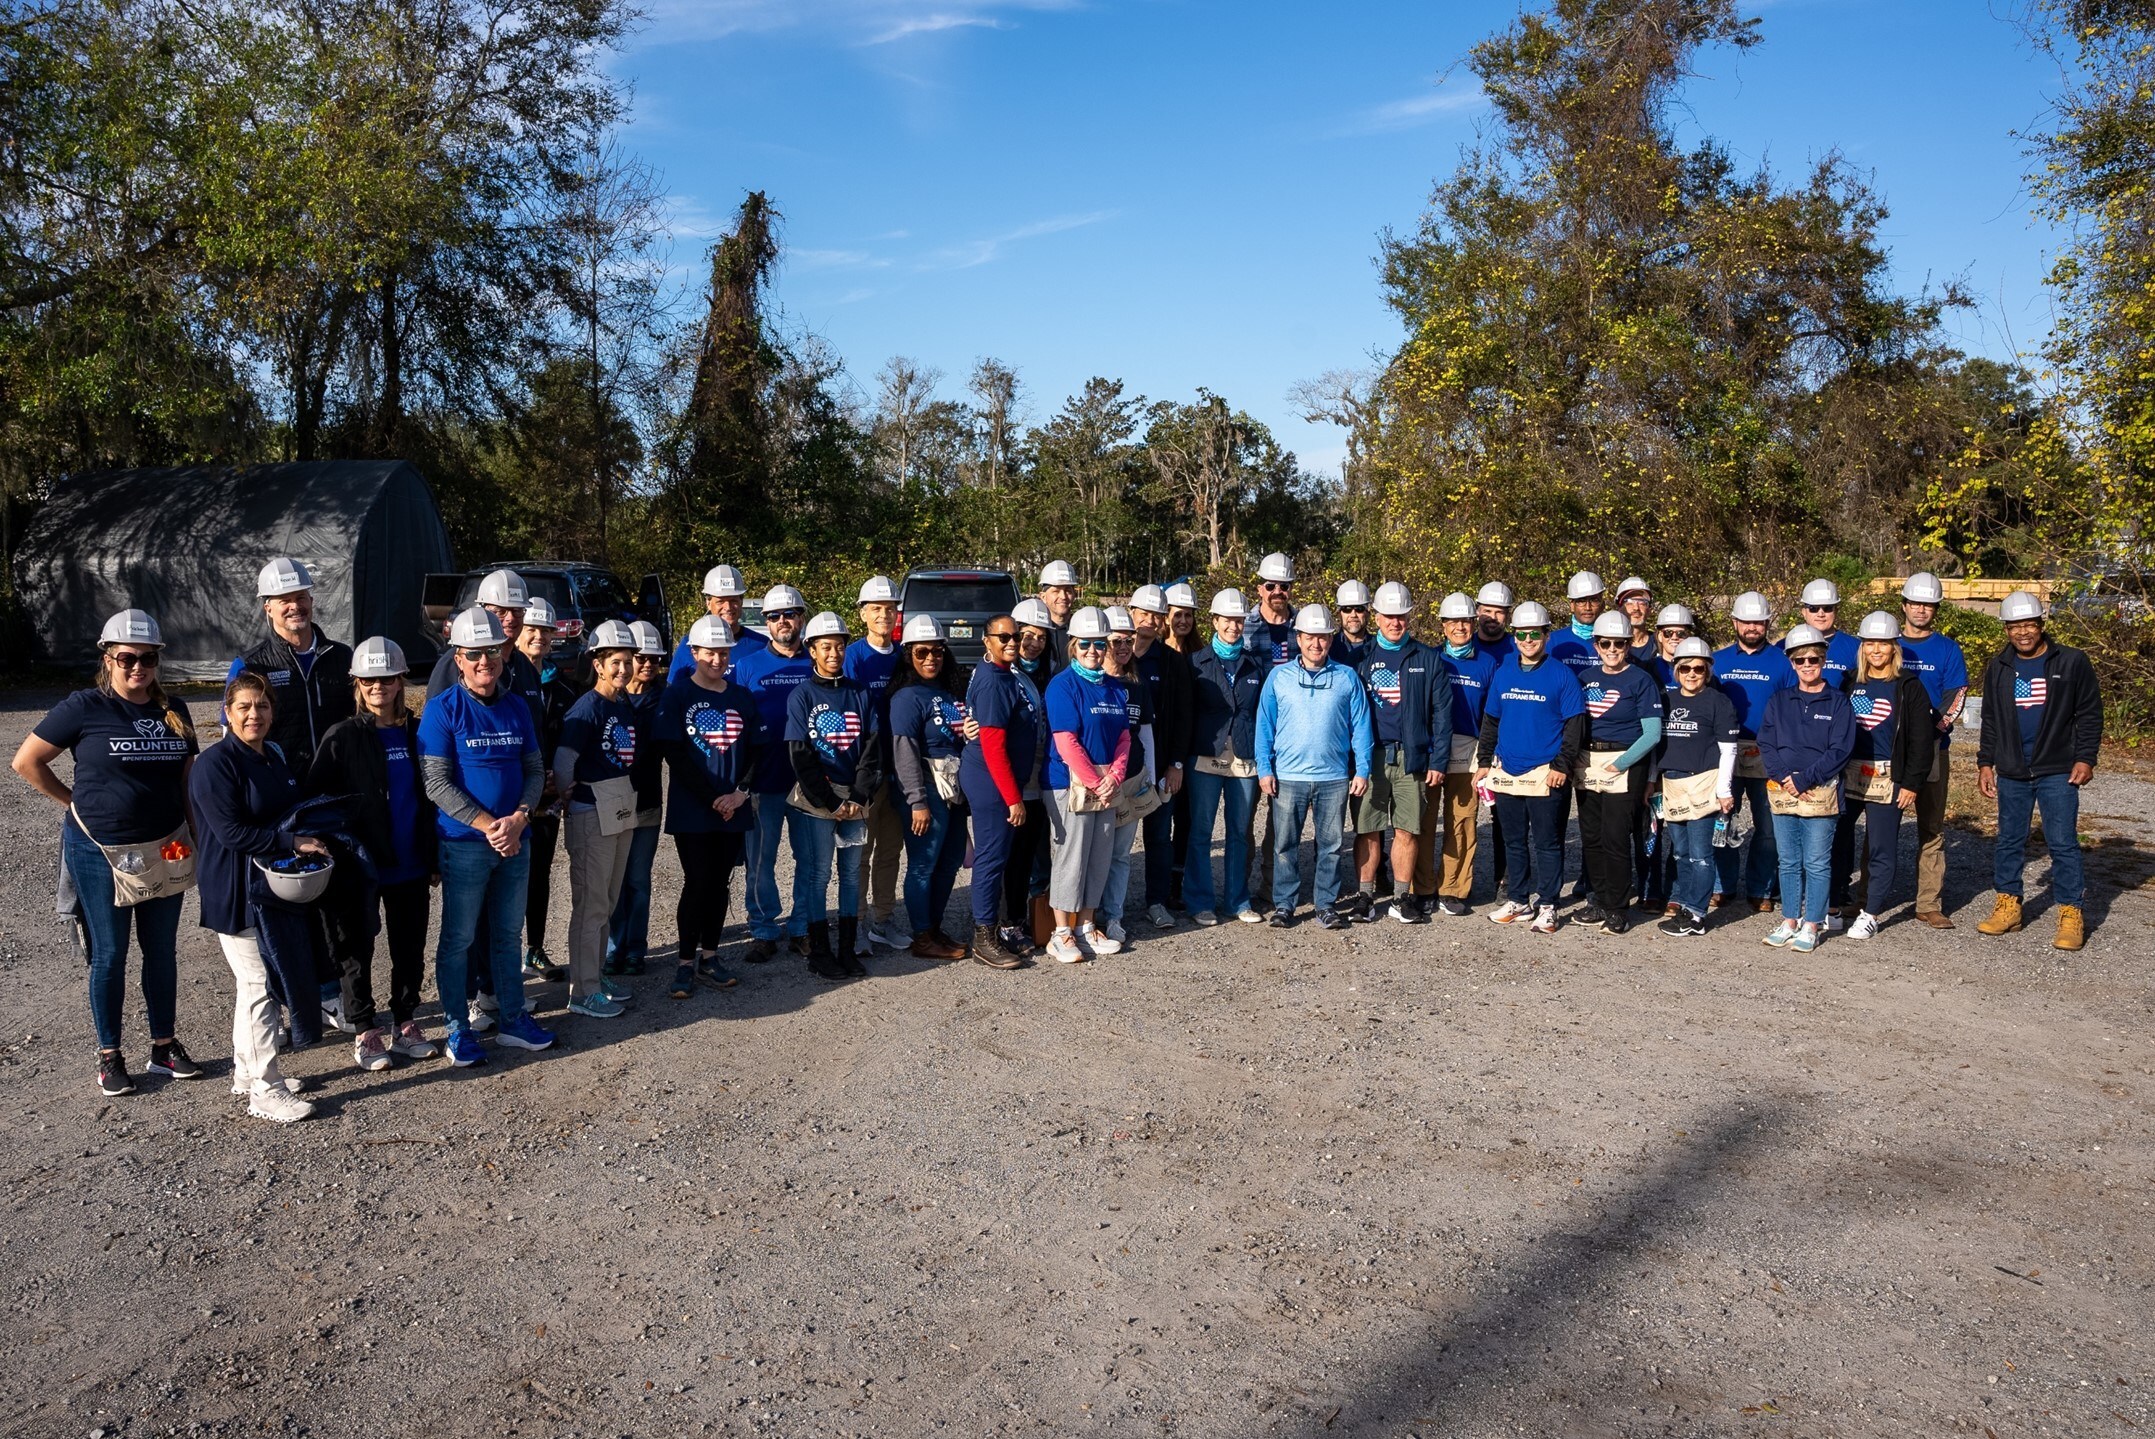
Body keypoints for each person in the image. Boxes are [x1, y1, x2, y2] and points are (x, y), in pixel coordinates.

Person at [13, 610, 202, 1098]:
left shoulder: (174, 710)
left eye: (148, 658)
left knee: (161, 949)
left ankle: (164, 1047)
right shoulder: (84, 707)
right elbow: (26, 761)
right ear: (108, 658)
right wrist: (72, 802)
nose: (138, 667)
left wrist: (197, 834)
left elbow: (187, 781)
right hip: (100, 849)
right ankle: (109, 1055)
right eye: (127, 658)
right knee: (110, 953)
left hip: (166, 845)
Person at [416, 606, 555, 1067]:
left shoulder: (516, 707)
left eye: (492, 652)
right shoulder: (442, 710)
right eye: (474, 654)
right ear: (458, 657)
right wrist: (490, 827)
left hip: (515, 840)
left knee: (508, 935)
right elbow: (436, 783)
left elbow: (534, 770)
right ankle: (457, 1029)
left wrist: (519, 817)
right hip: (466, 845)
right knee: (458, 939)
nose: (484, 662)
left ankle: (513, 1019)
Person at [190, 670, 328, 1122]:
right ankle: (266, 1091)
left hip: (270, 888)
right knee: (260, 986)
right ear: (227, 713)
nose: (255, 714)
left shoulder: (272, 755)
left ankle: (247, 1072)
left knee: (250, 984)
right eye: (244, 706)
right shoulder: (215, 764)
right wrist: (292, 843)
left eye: (263, 706)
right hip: (235, 891)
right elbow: (231, 832)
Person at [306, 637, 439, 1072]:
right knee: (355, 949)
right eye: (368, 680)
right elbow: (317, 802)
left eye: (386, 678)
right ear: (357, 684)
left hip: (411, 863)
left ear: (401, 680)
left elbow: (433, 797)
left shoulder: (419, 734)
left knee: (409, 948)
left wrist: (433, 856)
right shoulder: (342, 736)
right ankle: (364, 1029)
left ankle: (405, 1022)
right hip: (360, 867)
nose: (377, 686)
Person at [1974, 591, 2104, 951]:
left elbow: (2089, 714)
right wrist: (1985, 762)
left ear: (2041, 625)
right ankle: (2008, 905)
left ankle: (2071, 913)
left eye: (2029, 624)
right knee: (2009, 840)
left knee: (2062, 843)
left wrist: (2085, 758)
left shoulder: (2072, 662)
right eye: (2014, 626)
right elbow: (1990, 719)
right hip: (2013, 769)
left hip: (2058, 769)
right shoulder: (1999, 666)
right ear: (2006, 629)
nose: (2023, 633)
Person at [656, 615, 766, 994]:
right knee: (697, 882)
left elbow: (756, 750)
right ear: (694, 653)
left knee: (719, 884)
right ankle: (685, 963)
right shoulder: (678, 694)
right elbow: (674, 753)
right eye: (710, 653)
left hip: (734, 806)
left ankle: (710, 956)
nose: (717, 660)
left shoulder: (741, 696)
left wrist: (740, 793)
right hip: (693, 809)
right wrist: (712, 798)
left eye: (723, 653)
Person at [1257, 605, 1374, 929]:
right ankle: (1284, 905)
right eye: (1310, 637)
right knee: (1285, 846)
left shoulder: (1346, 677)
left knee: (1331, 847)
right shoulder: (1279, 677)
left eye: (1322, 637)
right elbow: (1264, 726)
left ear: (1330, 639)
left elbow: (1361, 726)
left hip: (1333, 777)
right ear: (1299, 638)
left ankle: (1325, 905)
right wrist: (1265, 768)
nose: (1316, 644)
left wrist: (1362, 769)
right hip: (1288, 777)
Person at [1476, 602, 1586, 934]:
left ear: (1546, 635)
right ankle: (1519, 900)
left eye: (1534, 634)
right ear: (1514, 637)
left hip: (1545, 772)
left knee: (1548, 842)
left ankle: (1549, 904)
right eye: (1522, 635)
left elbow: (1574, 725)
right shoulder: (1504, 671)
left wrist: (1562, 765)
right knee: (1513, 840)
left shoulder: (1562, 675)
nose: (1528, 640)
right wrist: (1484, 762)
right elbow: (1491, 720)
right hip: (1508, 770)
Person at [554, 621, 645, 1020]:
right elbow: (564, 762)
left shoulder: (621, 704)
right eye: (615, 662)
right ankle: (583, 990)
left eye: (628, 661)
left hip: (618, 805)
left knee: (607, 900)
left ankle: (596, 975)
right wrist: (567, 795)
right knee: (590, 904)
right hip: (591, 812)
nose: (623, 669)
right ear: (598, 664)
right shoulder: (586, 708)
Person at [787, 611, 883, 981]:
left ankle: (846, 949)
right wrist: (831, 802)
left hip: (855, 801)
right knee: (818, 874)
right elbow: (800, 754)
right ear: (811, 650)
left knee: (851, 875)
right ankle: (819, 951)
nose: (833, 653)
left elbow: (872, 748)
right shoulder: (802, 695)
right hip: (818, 802)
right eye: (825, 646)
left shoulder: (859, 693)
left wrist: (857, 796)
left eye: (839, 646)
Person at [1349, 583, 1449, 924]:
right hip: (1371, 756)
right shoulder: (1359, 658)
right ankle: (1364, 896)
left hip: (1412, 757)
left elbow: (1442, 715)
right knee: (1368, 828)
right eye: (1389, 616)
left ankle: (1401, 897)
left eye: (1402, 616)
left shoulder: (1427, 658)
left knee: (1407, 829)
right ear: (1376, 616)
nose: (1395, 622)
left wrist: (1438, 760)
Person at [1834, 611, 1936, 941]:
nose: (1876, 650)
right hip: (1849, 773)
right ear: (1862, 647)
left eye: (1883, 643)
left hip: (1887, 776)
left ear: (1894, 647)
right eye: (1870, 643)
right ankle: (1834, 905)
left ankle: (1871, 913)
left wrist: (1912, 783)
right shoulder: (1850, 681)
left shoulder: (1908, 686)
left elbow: (1921, 740)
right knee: (1838, 839)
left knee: (1881, 845)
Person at [1756, 624, 1856, 952]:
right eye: (1800, 660)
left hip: (1821, 790)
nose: (1807, 665)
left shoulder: (1838, 702)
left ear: (1823, 660)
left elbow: (1840, 750)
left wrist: (1804, 780)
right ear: (1792, 663)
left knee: (1816, 861)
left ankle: (1812, 924)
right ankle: (1789, 920)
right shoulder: (1779, 700)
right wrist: (1786, 777)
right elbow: (1766, 742)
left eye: (1813, 659)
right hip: (1783, 788)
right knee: (1787, 860)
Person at [1041, 607, 1130, 962]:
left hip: (1105, 784)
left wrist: (1115, 777)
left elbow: (1124, 738)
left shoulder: (1115, 687)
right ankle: (1061, 932)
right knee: (1072, 856)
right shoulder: (1062, 685)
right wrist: (1097, 782)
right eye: (1085, 644)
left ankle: (1086, 926)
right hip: (1070, 783)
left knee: (1098, 856)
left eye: (1099, 644)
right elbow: (1066, 741)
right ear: (1073, 646)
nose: (1093, 650)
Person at [732, 585, 814, 962]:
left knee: (809, 859)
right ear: (765, 622)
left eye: (789, 614)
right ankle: (763, 929)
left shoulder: (817, 661)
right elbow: (737, 726)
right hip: (763, 781)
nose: (783, 621)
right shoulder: (748, 666)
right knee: (760, 861)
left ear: (801, 618)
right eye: (774, 616)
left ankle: (801, 927)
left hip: (809, 784)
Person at [1571, 611, 1664, 934]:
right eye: (1605, 643)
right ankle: (1598, 899)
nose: (1612, 649)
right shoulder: (1584, 678)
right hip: (1588, 760)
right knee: (1592, 835)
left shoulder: (1641, 680)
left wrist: (1621, 763)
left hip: (1623, 762)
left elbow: (1652, 734)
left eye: (1619, 643)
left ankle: (1618, 907)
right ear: (1596, 645)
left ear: (1628, 645)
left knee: (1615, 836)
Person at [887, 614, 972, 961]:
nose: (930, 658)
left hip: (955, 787)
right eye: (921, 652)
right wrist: (917, 801)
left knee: (950, 861)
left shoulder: (951, 690)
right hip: (926, 786)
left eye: (937, 651)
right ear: (909, 654)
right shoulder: (906, 697)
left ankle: (934, 928)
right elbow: (904, 751)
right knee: (923, 864)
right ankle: (922, 935)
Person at [958, 614, 1039, 969]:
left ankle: (993, 930)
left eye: (1015, 636)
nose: (1011, 642)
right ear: (986, 640)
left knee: (998, 856)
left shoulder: (1003, 673)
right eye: (1003, 637)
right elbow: (993, 746)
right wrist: (1013, 798)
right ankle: (983, 938)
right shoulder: (993, 681)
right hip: (991, 782)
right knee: (991, 859)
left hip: (997, 779)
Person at [226, 558, 355, 777]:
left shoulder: (343, 657)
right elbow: (232, 735)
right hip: (280, 784)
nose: (295, 607)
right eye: (284, 600)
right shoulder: (250, 665)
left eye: (300, 597)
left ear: (311, 601)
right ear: (268, 608)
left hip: (338, 781)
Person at [1185, 588, 1268, 926]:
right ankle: (1200, 901)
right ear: (1215, 621)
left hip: (1245, 755)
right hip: (1206, 754)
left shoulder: (1254, 664)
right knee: (1201, 830)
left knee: (1238, 831)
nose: (1233, 626)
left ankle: (1237, 900)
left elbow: (1262, 713)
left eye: (1239, 620)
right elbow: (1187, 712)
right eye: (1227, 620)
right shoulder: (1196, 663)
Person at [1897, 572, 1970, 929]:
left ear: (1935, 609)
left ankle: (1928, 903)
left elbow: (1956, 697)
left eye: (1928, 604)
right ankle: (1864, 899)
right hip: (1890, 751)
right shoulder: (1887, 643)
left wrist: (1928, 735)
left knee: (1931, 827)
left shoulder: (1947, 650)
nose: (1921, 609)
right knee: (1881, 826)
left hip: (1933, 749)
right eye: (1915, 603)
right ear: (1904, 605)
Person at [1713, 590, 1794, 912]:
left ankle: (1761, 888)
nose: (1752, 627)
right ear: (1734, 622)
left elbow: (1790, 707)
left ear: (1767, 623)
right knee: (1724, 819)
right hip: (1726, 752)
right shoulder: (1718, 661)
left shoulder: (1783, 662)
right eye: (1746, 621)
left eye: (1758, 622)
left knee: (1768, 826)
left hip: (1768, 752)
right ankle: (1722, 885)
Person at [1653, 638, 1739, 937]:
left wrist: (1724, 791)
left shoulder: (1718, 702)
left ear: (1708, 671)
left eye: (1698, 668)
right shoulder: (1666, 699)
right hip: (1672, 782)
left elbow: (1729, 750)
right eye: (1685, 668)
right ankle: (1685, 905)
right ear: (1676, 670)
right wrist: (1652, 783)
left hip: (1703, 782)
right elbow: (1655, 745)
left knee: (1701, 855)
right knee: (1680, 852)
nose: (1692, 674)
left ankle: (1697, 915)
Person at [1421, 589, 1497, 916]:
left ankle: (1453, 887)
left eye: (1465, 621)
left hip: (1469, 749)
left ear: (1473, 623)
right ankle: (1422, 887)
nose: (1460, 627)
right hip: (1431, 748)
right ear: (1443, 625)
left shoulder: (1488, 664)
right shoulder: (1429, 658)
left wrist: (1487, 758)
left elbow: (1492, 714)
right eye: (1453, 621)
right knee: (1424, 821)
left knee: (1462, 821)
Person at [517, 595, 577, 984]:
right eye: (531, 629)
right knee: (506, 878)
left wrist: (559, 777)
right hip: (510, 799)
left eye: (545, 630)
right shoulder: (504, 681)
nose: (538, 636)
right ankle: (500, 959)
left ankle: (534, 949)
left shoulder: (564, 689)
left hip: (549, 800)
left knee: (538, 874)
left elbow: (570, 742)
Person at [846, 575, 908, 952]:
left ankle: (882, 922)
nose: (884, 615)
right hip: (866, 773)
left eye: (890, 608)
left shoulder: (904, 655)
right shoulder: (853, 657)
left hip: (900, 771)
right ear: (863, 614)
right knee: (860, 854)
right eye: (876, 609)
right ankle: (855, 924)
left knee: (890, 851)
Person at [602, 621, 668, 976]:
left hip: (647, 802)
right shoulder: (610, 697)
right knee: (614, 882)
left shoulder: (665, 698)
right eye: (641, 658)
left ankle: (636, 949)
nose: (647, 665)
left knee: (638, 880)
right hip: (612, 803)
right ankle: (614, 948)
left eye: (654, 659)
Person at [1128, 584, 1192, 924]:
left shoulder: (1171, 662)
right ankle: (1108, 908)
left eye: (1156, 615)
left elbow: (1183, 718)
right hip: (1120, 768)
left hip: (1160, 766)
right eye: (1144, 614)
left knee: (1158, 837)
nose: (1150, 621)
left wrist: (1176, 764)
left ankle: (1156, 901)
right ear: (1132, 613)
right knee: (1115, 843)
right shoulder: (1113, 655)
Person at [1095, 607, 1156, 947]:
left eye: (1128, 641)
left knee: (1120, 854)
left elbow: (1145, 734)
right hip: (1096, 782)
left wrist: (1151, 777)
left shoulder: (1137, 685)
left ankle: (1114, 916)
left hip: (1131, 779)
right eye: (1115, 640)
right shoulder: (1090, 682)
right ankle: (1087, 917)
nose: (1122, 647)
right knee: (1093, 853)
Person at [425, 569, 545, 713]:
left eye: (517, 610)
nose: (510, 618)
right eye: (500, 611)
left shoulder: (526, 668)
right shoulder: (456, 662)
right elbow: (437, 716)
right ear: (484, 610)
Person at [669, 564, 767, 682]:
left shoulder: (761, 644)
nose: (728, 607)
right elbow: (673, 688)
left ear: (741, 601)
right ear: (708, 603)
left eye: (733, 600)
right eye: (720, 601)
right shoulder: (689, 645)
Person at [1797, 579, 1862, 686]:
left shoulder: (1855, 647)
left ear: (1836, 611)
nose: (1821, 614)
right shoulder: (1784, 647)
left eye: (1827, 608)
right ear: (1803, 612)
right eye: (1813, 608)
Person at [1547, 571, 1607, 678]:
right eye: (1581, 601)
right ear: (1572, 606)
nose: (1588, 607)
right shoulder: (1552, 641)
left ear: (1602, 605)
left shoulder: (1616, 643)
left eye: (1594, 600)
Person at [1036, 560, 1081, 662]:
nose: (1063, 596)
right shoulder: (1036, 631)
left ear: (1074, 595)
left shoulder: (1081, 630)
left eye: (1068, 591)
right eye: (1056, 591)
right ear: (1043, 597)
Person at [1331, 581, 1376, 666]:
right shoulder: (1327, 648)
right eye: (1347, 609)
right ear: (1339, 614)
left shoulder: (1378, 647)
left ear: (1367, 613)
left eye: (1359, 609)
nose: (1353, 615)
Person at [1474, 581, 1518, 662]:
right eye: (1487, 611)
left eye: (1499, 612)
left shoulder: (1519, 648)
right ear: (1477, 612)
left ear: (1507, 615)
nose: (1493, 617)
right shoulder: (1465, 647)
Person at [1615, 577, 1655, 658]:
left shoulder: (1660, 643)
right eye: (1629, 602)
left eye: (1642, 603)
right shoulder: (1609, 645)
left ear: (1649, 610)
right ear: (1620, 609)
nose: (1636, 608)